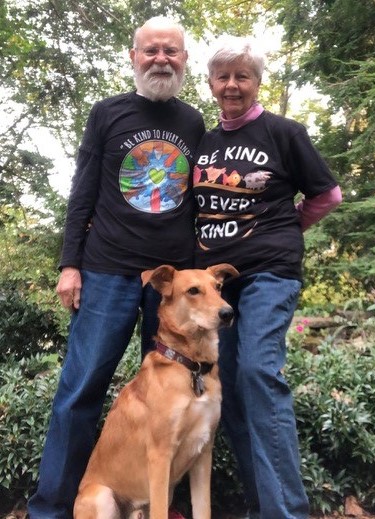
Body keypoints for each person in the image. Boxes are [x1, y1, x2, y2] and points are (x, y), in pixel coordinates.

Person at [28, 16, 205, 519]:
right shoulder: (106, 113)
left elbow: (198, 201)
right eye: (151, 50)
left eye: (171, 51)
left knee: (175, 396)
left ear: (184, 60)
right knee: (80, 391)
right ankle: (51, 508)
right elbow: (82, 191)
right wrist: (70, 265)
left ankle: (159, 503)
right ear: (133, 57)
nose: (161, 59)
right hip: (107, 271)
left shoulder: (194, 123)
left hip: (171, 284)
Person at [193, 36, 342, 519]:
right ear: (212, 83)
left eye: (243, 76)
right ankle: (264, 507)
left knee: (258, 371)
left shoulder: (284, 133)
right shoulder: (205, 143)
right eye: (224, 76)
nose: (232, 85)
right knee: (229, 389)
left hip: (269, 274)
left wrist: (281, 228)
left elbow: (327, 195)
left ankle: (288, 513)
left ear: (257, 82)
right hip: (219, 285)